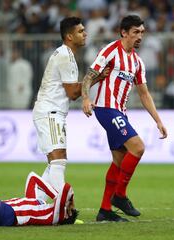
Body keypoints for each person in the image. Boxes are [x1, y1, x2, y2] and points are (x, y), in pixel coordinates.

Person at [81, 15, 168, 222]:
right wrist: (85, 98)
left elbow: (145, 94)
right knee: (137, 147)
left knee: (119, 162)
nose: (140, 36)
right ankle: (119, 196)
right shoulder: (110, 51)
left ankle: (105, 211)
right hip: (105, 108)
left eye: (142, 32)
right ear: (124, 32)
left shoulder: (137, 62)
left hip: (120, 112)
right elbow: (89, 76)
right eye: (136, 32)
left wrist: (158, 120)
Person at [32, 17, 106, 196]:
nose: (85, 33)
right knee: (58, 161)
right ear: (69, 36)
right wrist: (97, 77)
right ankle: (65, 208)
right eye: (80, 31)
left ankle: (36, 201)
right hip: (50, 112)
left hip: (51, 111)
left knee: (55, 162)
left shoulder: (65, 53)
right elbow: (73, 93)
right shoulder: (65, 55)